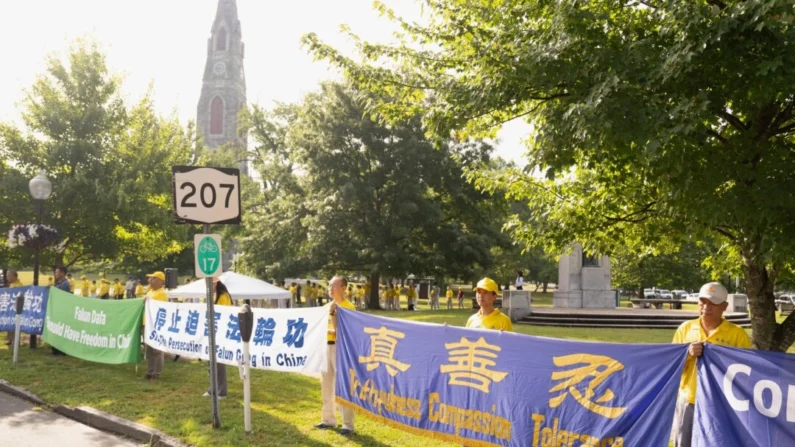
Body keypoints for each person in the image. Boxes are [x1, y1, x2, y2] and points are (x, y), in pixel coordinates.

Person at [670, 282, 751, 447]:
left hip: (721, 403)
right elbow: (671, 368)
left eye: (713, 302)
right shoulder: (685, 329)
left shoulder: (737, 334)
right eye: (703, 301)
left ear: (724, 306)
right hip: (689, 400)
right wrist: (687, 354)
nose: (707, 307)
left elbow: (747, 373)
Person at [314, 275, 356, 435]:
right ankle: (328, 419)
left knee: (342, 384)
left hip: (340, 348)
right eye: (329, 286)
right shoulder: (327, 306)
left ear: (344, 288)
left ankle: (347, 424)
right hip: (325, 346)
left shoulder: (348, 308)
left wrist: (332, 317)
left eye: (334, 286)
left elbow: (345, 331)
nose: (330, 289)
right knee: (326, 383)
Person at [204, 277, 231, 398]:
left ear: (215, 283)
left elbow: (223, 314)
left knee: (219, 363)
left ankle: (222, 391)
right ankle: (212, 389)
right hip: (211, 331)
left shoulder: (223, 296)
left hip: (220, 333)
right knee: (211, 362)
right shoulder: (213, 295)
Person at [144, 271, 169, 380]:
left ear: (159, 281)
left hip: (155, 325)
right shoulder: (150, 292)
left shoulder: (161, 293)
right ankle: (150, 371)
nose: (150, 280)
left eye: (152, 278)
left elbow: (161, 310)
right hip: (146, 324)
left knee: (157, 351)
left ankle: (156, 373)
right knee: (148, 350)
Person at [52, 266, 72, 356]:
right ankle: (55, 349)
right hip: (56, 310)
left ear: (63, 273)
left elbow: (61, 297)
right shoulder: (58, 283)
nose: (56, 274)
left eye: (58, 272)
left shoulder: (65, 284)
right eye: (55, 272)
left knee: (60, 330)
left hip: (61, 310)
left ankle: (60, 350)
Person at [5, 269, 23, 346]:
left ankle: (16, 342)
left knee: (16, 325)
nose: (7, 278)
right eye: (6, 276)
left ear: (14, 276)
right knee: (10, 324)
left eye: (8, 276)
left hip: (16, 309)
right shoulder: (12, 284)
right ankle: (10, 339)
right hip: (10, 309)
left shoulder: (18, 286)